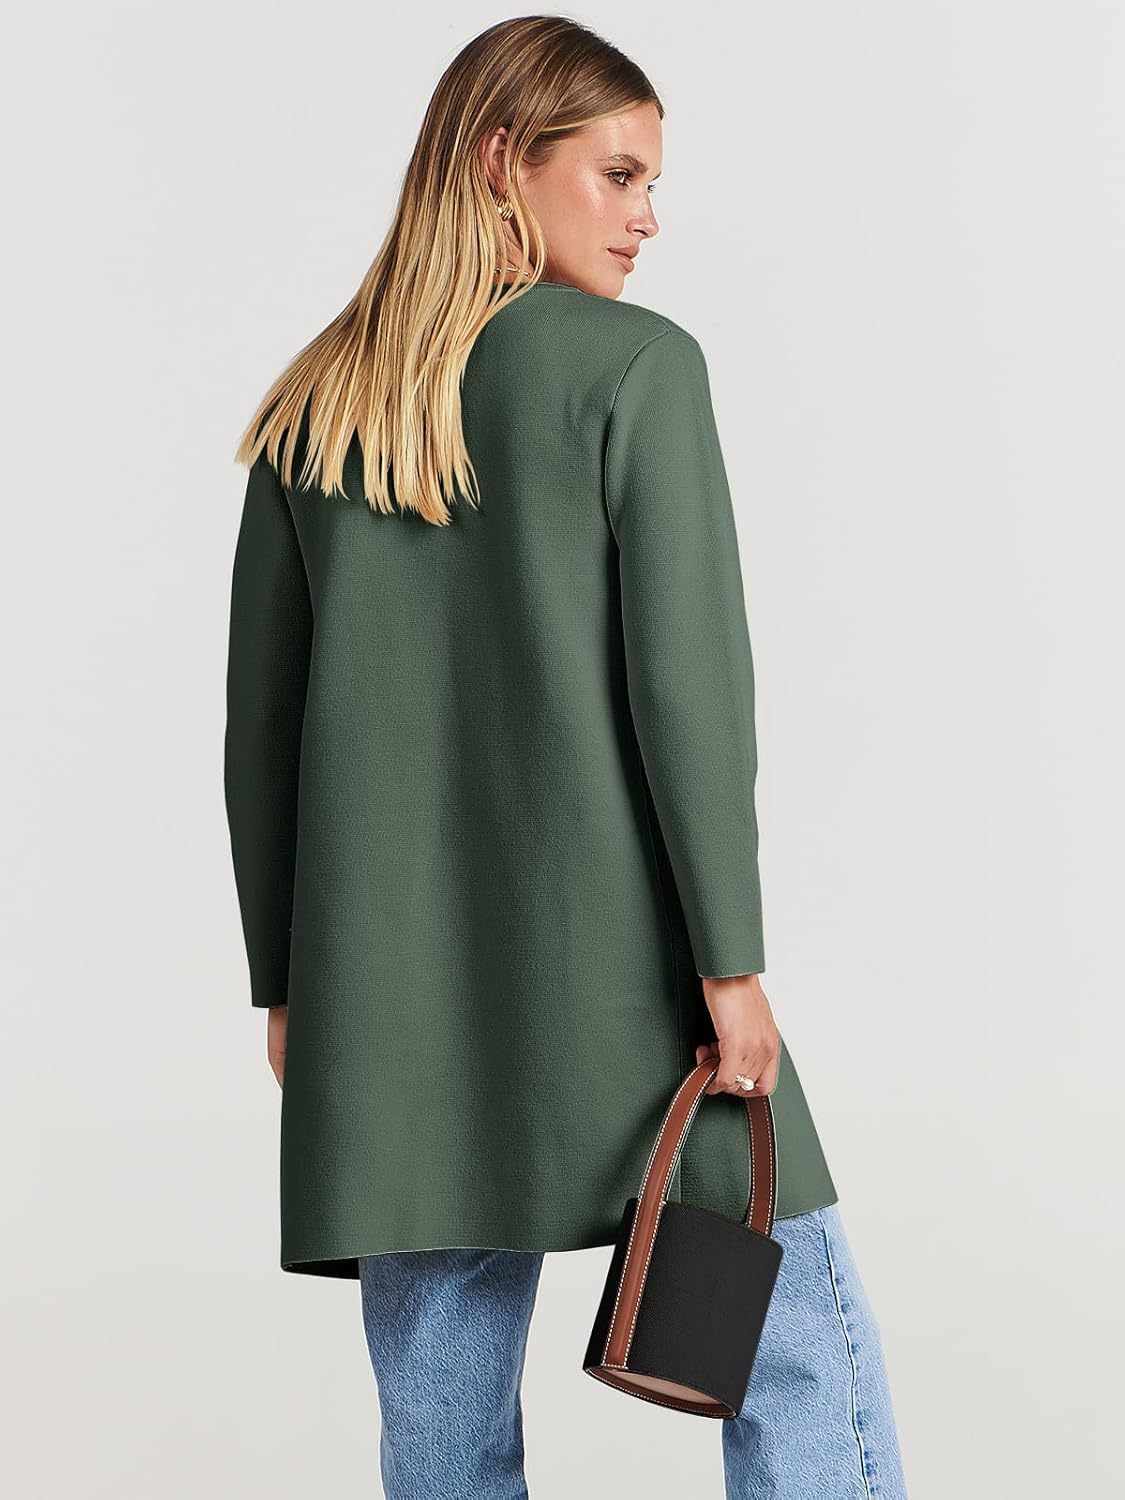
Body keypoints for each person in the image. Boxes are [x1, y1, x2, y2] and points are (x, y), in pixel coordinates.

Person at [223, 15, 908, 1498]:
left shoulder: (316, 407)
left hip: (388, 1007)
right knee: (792, 1338)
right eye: (618, 174)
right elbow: (691, 697)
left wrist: (287, 984)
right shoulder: (635, 369)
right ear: (500, 163)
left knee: (440, 1398)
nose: (648, 216)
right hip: (632, 976)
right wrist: (730, 967)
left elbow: (259, 735)